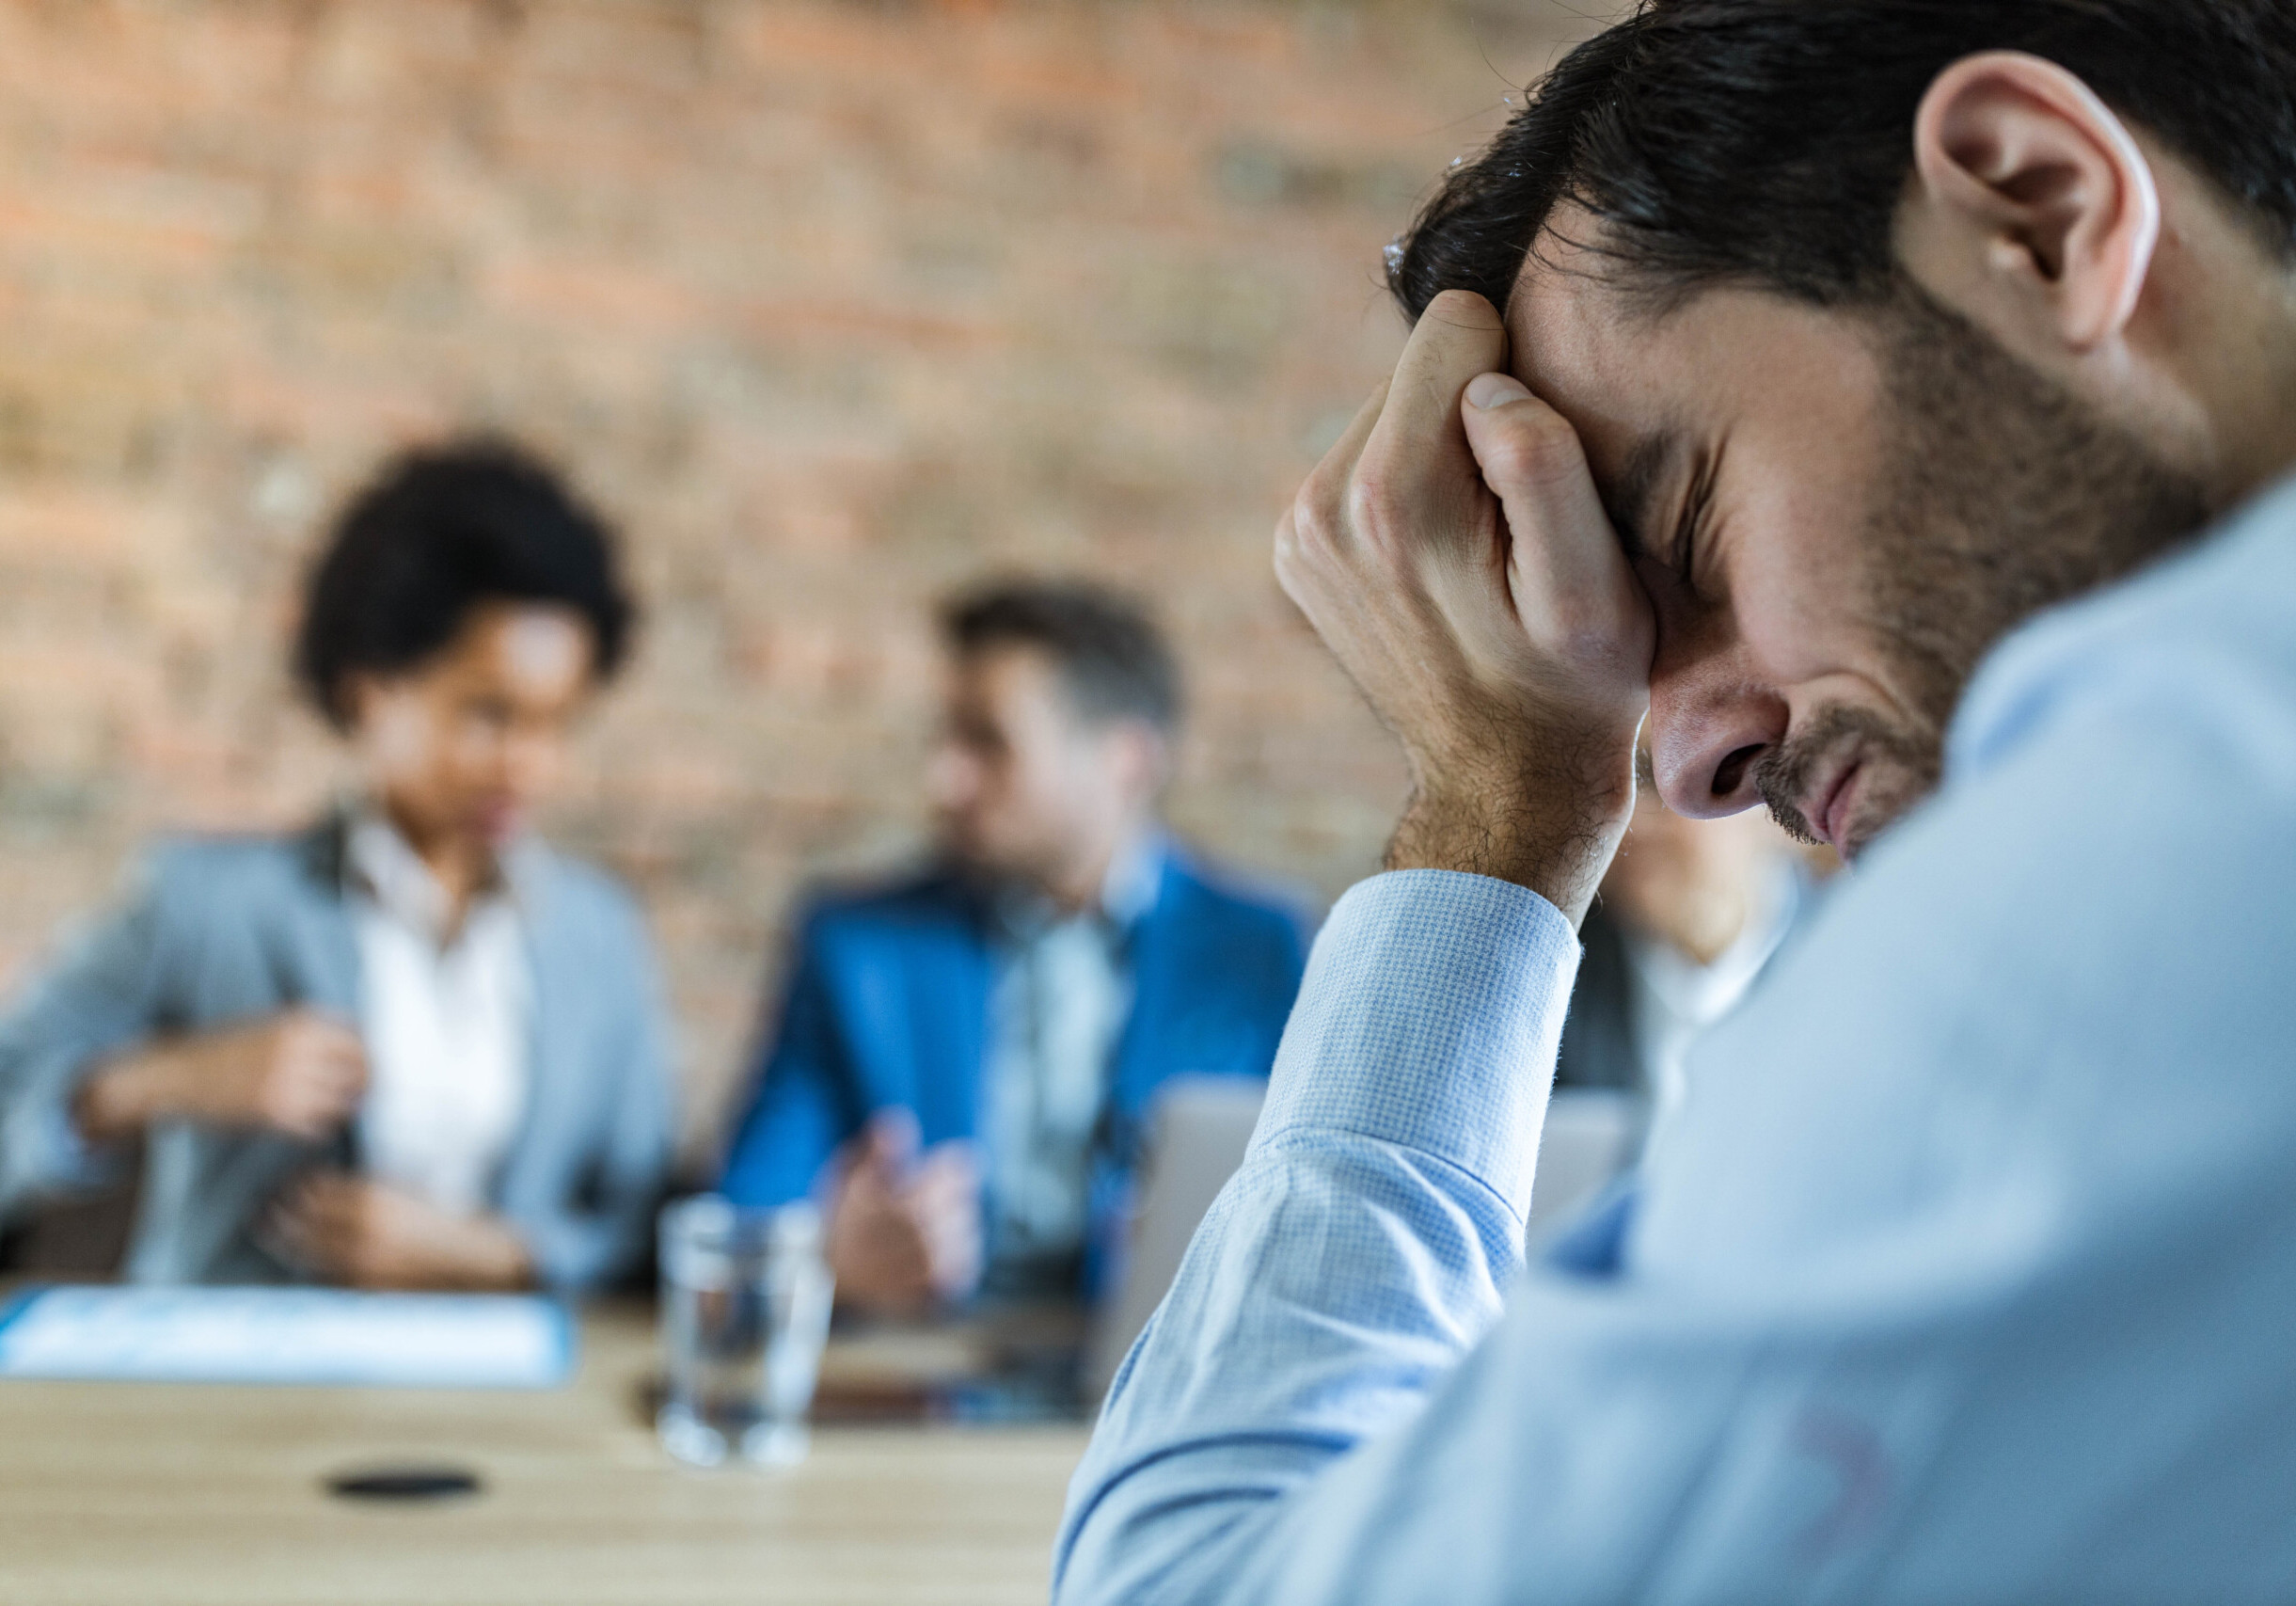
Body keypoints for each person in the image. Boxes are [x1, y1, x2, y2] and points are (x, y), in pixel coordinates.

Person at [1055, 3, 2296, 1600]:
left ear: (2038, 212)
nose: (1682, 763)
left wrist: (1498, 809)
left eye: (1684, 527)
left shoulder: (2172, 826)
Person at [0, 442, 673, 1293]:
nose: (527, 767)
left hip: (505, 1398)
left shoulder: (596, 933)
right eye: (489, 714)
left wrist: (487, 1254)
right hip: (241, 1391)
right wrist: (148, 1081)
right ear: (369, 690)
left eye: (556, 724)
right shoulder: (204, 904)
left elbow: (650, 1226)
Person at [718, 580, 1306, 1314]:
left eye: (988, 743)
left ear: (1125, 758)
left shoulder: (1259, 950)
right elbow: (737, 1227)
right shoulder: (857, 947)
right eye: (947, 738)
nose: (944, 779)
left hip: (1164, 1383)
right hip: (921, 1388)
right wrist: (826, 1255)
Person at [1557, 778, 1805, 1138]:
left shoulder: (1853, 976)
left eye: (1660, 785)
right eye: (1612, 785)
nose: (1632, 823)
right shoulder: (1552, 974)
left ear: (1770, 807)